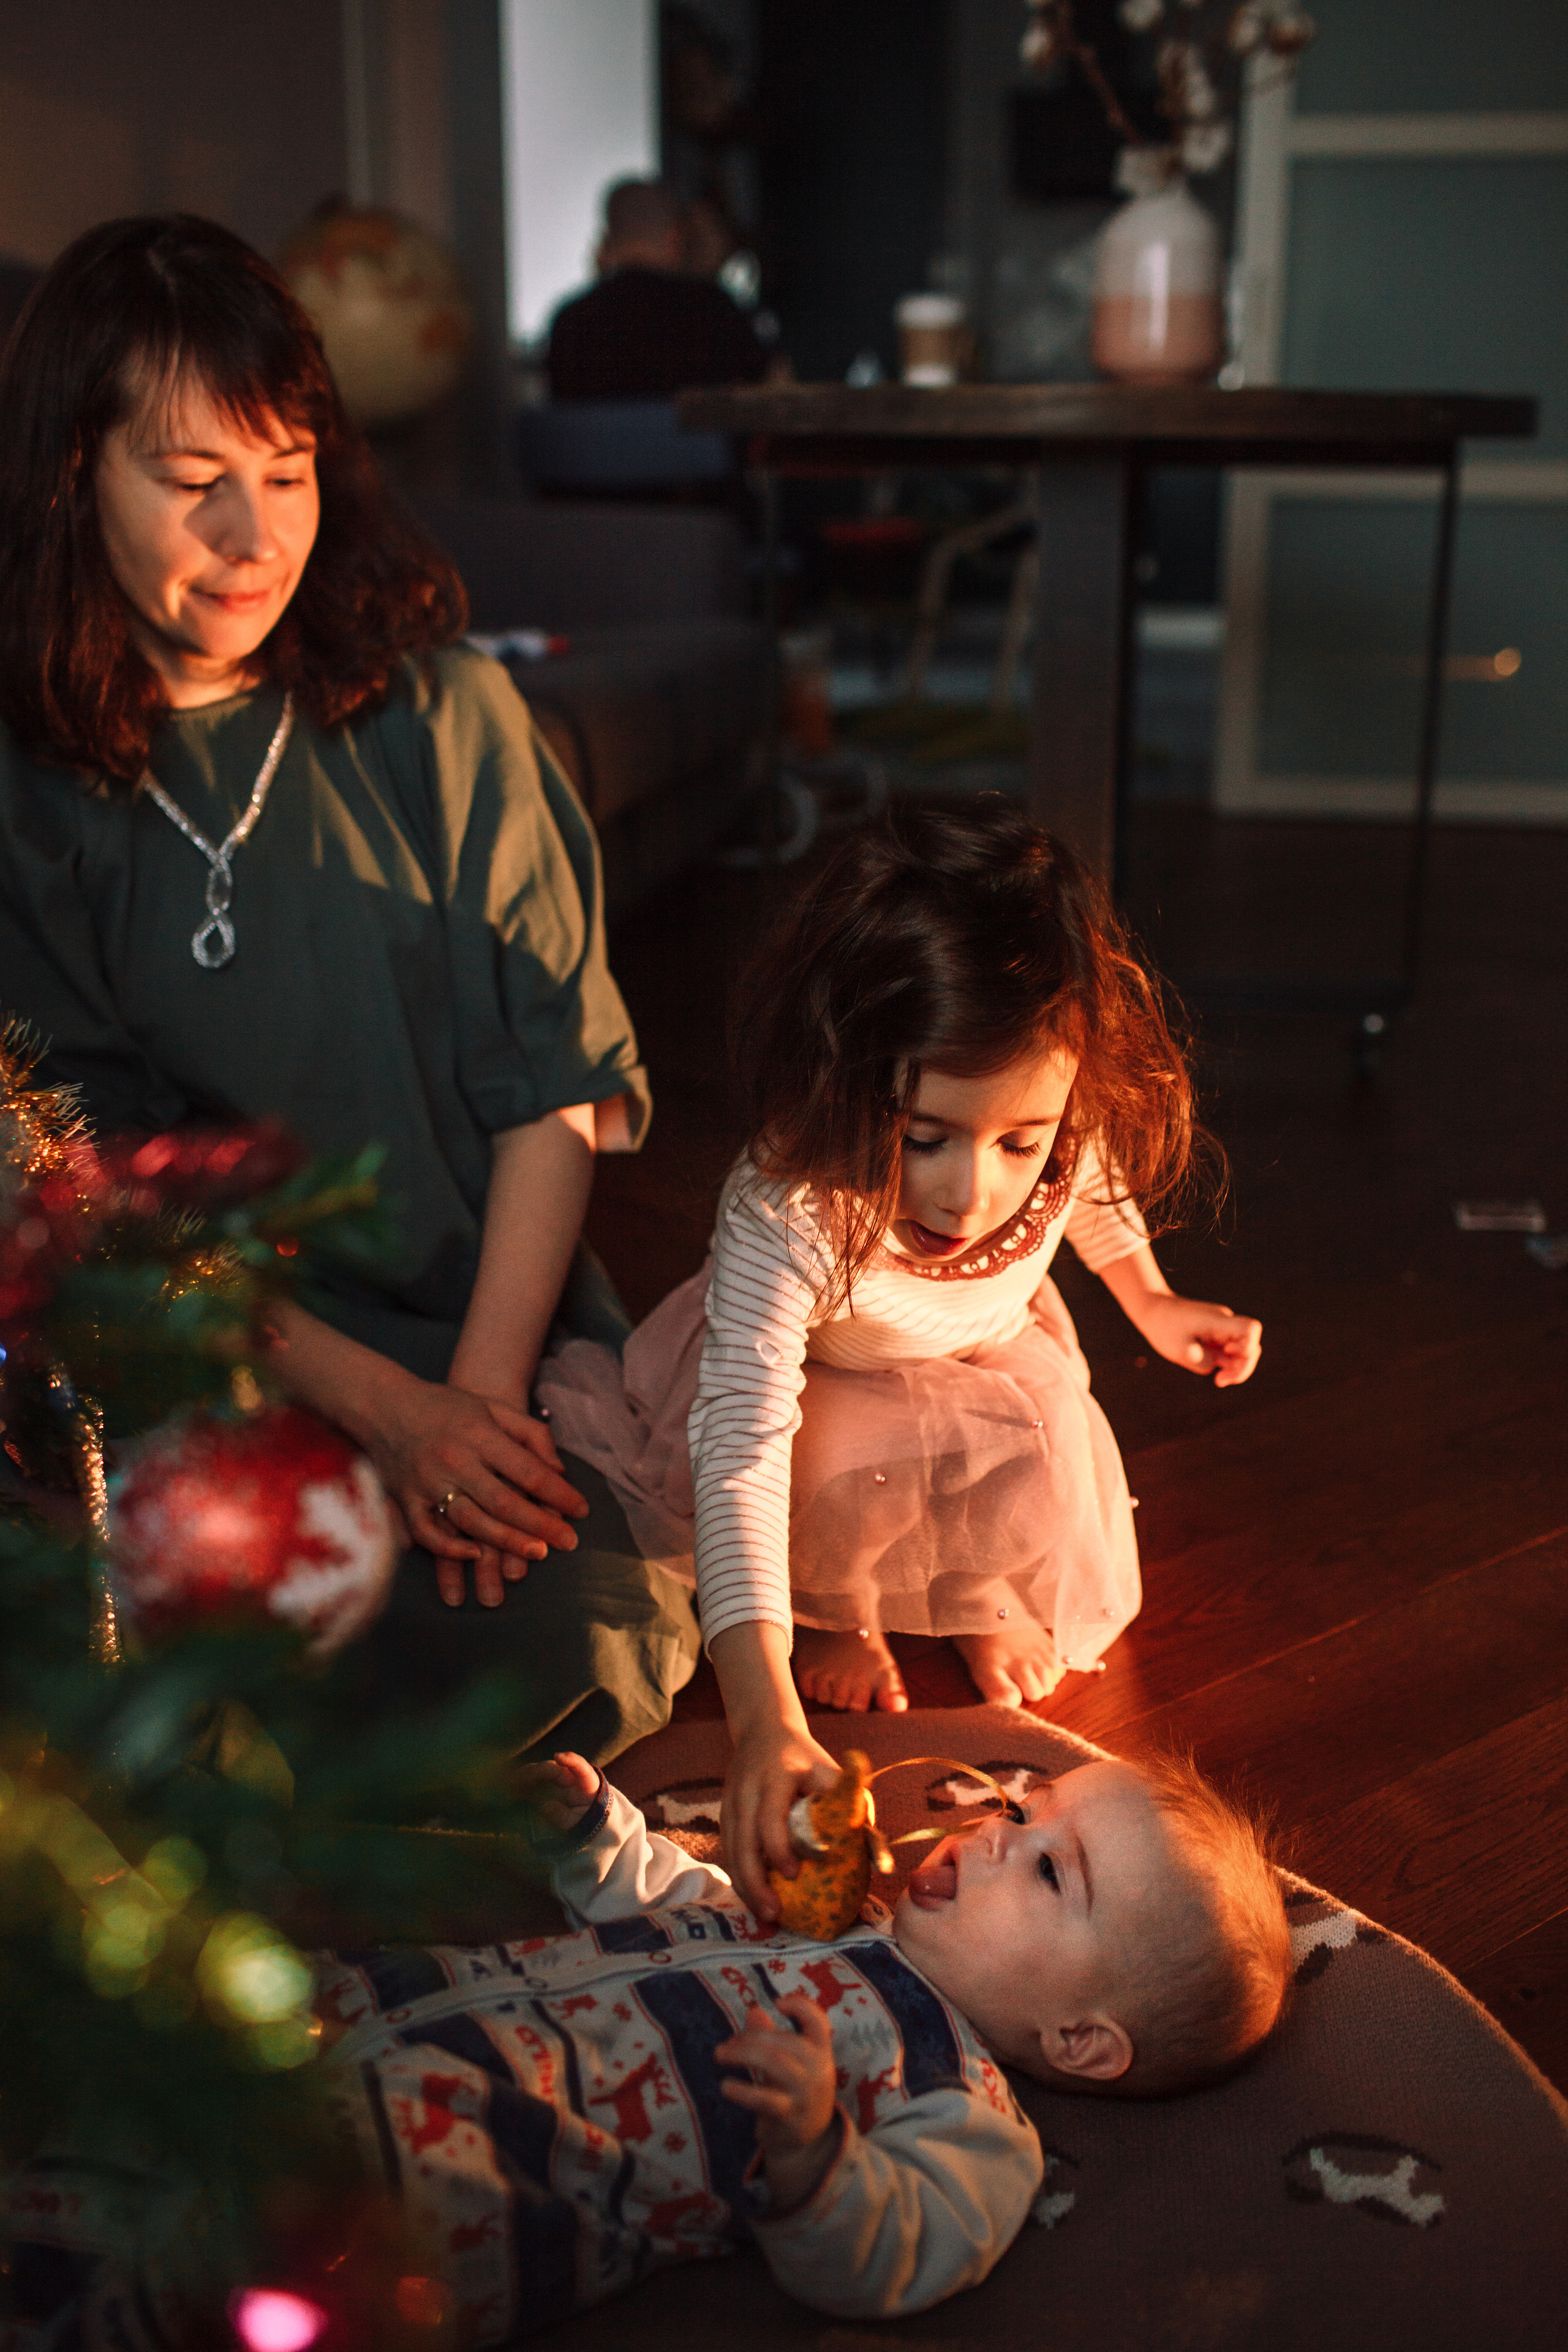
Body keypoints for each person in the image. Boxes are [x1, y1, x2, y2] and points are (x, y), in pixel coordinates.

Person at [0, 214, 699, 1763]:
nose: (255, 537)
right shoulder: (28, 790)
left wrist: (473, 1405)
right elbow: (94, 1180)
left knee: (566, 1619)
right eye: (193, 487)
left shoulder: (451, 717)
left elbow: (551, 1086)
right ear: (70, 481)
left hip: (482, 1326)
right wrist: (380, 1414)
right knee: (169, 1647)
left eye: (291, 474)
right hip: (221, 1339)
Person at [538, 807, 1262, 1912]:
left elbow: (1095, 1185)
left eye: (1018, 1143)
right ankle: (839, 1607)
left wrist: (1151, 1299)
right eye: (924, 1137)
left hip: (979, 1352)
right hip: (821, 1389)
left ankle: (971, 1593)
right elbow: (741, 1453)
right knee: (834, 1456)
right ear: (841, 1078)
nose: (969, 1196)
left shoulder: (1059, 1123)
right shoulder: (787, 1203)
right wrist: (765, 1714)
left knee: (1035, 1427)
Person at [311, 1746, 1290, 2333]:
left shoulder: (964, 2106)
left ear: (1078, 2038)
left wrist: (819, 2155)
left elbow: (894, 2253)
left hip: (442, 2171)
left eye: (1049, 1874)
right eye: (1020, 1809)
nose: (994, 1835)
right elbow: (679, 1897)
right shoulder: (833, 1912)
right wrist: (595, 1837)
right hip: (395, 1997)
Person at [546, 176, 772, 402]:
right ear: (674, 238)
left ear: (608, 240)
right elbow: (762, 391)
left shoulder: (570, 322)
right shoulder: (713, 311)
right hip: (695, 439)